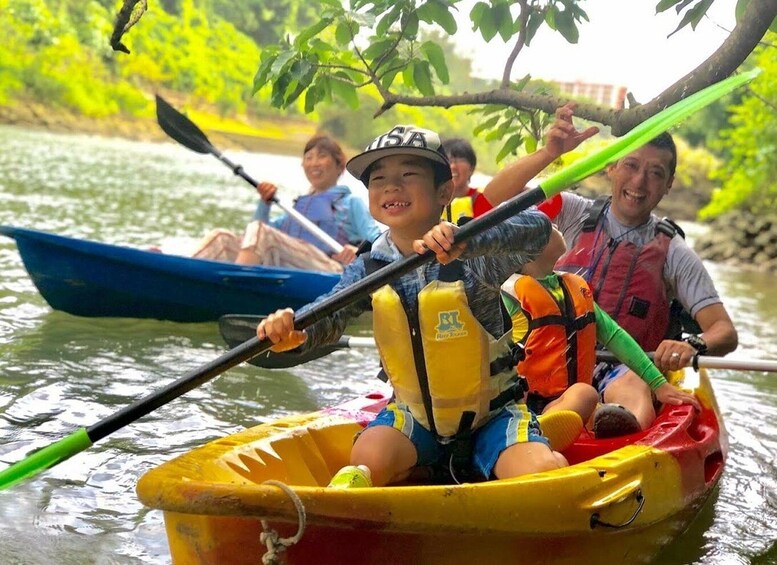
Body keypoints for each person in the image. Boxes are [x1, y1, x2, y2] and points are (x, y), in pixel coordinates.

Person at [256, 123, 590, 489]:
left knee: (539, 476)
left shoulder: (475, 250)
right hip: (414, 416)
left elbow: (539, 230)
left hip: (492, 416)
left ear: (444, 190)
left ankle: (534, 448)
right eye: (378, 179)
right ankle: (428, 466)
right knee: (367, 458)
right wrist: (296, 329)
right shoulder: (370, 265)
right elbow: (330, 315)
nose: (391, 187)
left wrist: (470, 240)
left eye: (408, 175)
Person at [484, 102, 738, 437]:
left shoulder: (675, 253)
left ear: (669, 184)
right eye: (631, 165)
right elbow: (490, 203)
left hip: (625, 366)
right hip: (547, 363)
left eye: (656, 173)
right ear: (611, 168)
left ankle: (614, 425)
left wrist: (693, 345)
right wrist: (548, 153)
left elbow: (723, 331)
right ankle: (550, 425)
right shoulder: (569, 212)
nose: (639, 181)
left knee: (632, 382)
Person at [500, 226, 700, 432]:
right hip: (527, 403)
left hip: (571, 400)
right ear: (527, 250)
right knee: (585, 394)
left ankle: (616, 430)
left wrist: (658, 384)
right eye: (548, 227)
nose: (556, 226)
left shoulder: (572, 288)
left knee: (585, 395)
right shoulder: (509, 297)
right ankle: (535, 432)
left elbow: (615, 337)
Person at [192, 134, 382, 272]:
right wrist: (264, 203)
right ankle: (180, 273)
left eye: (322, 156)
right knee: (221, 237)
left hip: (331, 269)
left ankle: (232, 288)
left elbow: (380, 242)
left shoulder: (351, 203)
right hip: (292, 265)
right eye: (309, 158)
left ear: (339, 165)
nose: (314, 163)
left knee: (261, 231)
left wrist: (357, 252)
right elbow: (254, 234)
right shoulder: (296, 210)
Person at [440, 138, 493, 223]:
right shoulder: (432, 203)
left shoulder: (482, 199)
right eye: (448, 161)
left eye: (459, 160)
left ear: (471, 168)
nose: (453, 166)